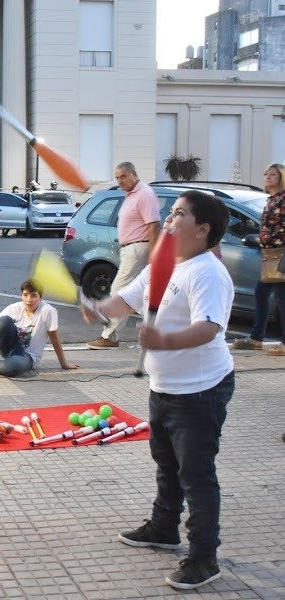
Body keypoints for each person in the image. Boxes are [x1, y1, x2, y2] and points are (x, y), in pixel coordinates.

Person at [81, 190, 234, 591]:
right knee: (167, 464)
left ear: (202, 230)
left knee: (196, 475)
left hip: (201, 391)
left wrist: (162, 341)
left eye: (179, 213)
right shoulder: (163, 263)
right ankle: (164, 527)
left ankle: (204, 558)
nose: (167, 218)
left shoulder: (207, 272)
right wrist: (97, 308)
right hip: (164, 386)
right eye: (170, 212)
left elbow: (209, 328)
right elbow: (128, 301)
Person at [87, 161, 161, 349]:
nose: (120, 181)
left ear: (134, 174)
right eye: (117, 177)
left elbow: (153, 226)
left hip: (139, 248)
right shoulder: (131, 195)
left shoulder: (144, 194)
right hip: (131, 249)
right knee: (139, 294)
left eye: (123, 176)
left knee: (118, 293)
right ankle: (155, 333)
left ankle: (110, 337)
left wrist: (153, 256)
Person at [0, 279, 79, 379]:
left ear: (41, 297)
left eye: (34, 296)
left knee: (10, 369)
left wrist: (64, 364)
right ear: (21, 295)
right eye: (25, 295)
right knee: (4, 320)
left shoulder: (48, 311)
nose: (29, 300)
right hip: (8, 347)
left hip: (26, 356)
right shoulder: (14, 308)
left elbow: (54, 339)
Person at [231, 163, 285, 356]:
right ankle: (256, 338)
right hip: (269, 255)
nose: (268, 177)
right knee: (262, 295)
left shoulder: (282, 199)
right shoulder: (271, 199)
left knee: (280, 298)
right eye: (266, 174)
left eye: (273, 175)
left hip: (280, 254)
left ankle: (270, 341)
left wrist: (266, 239)